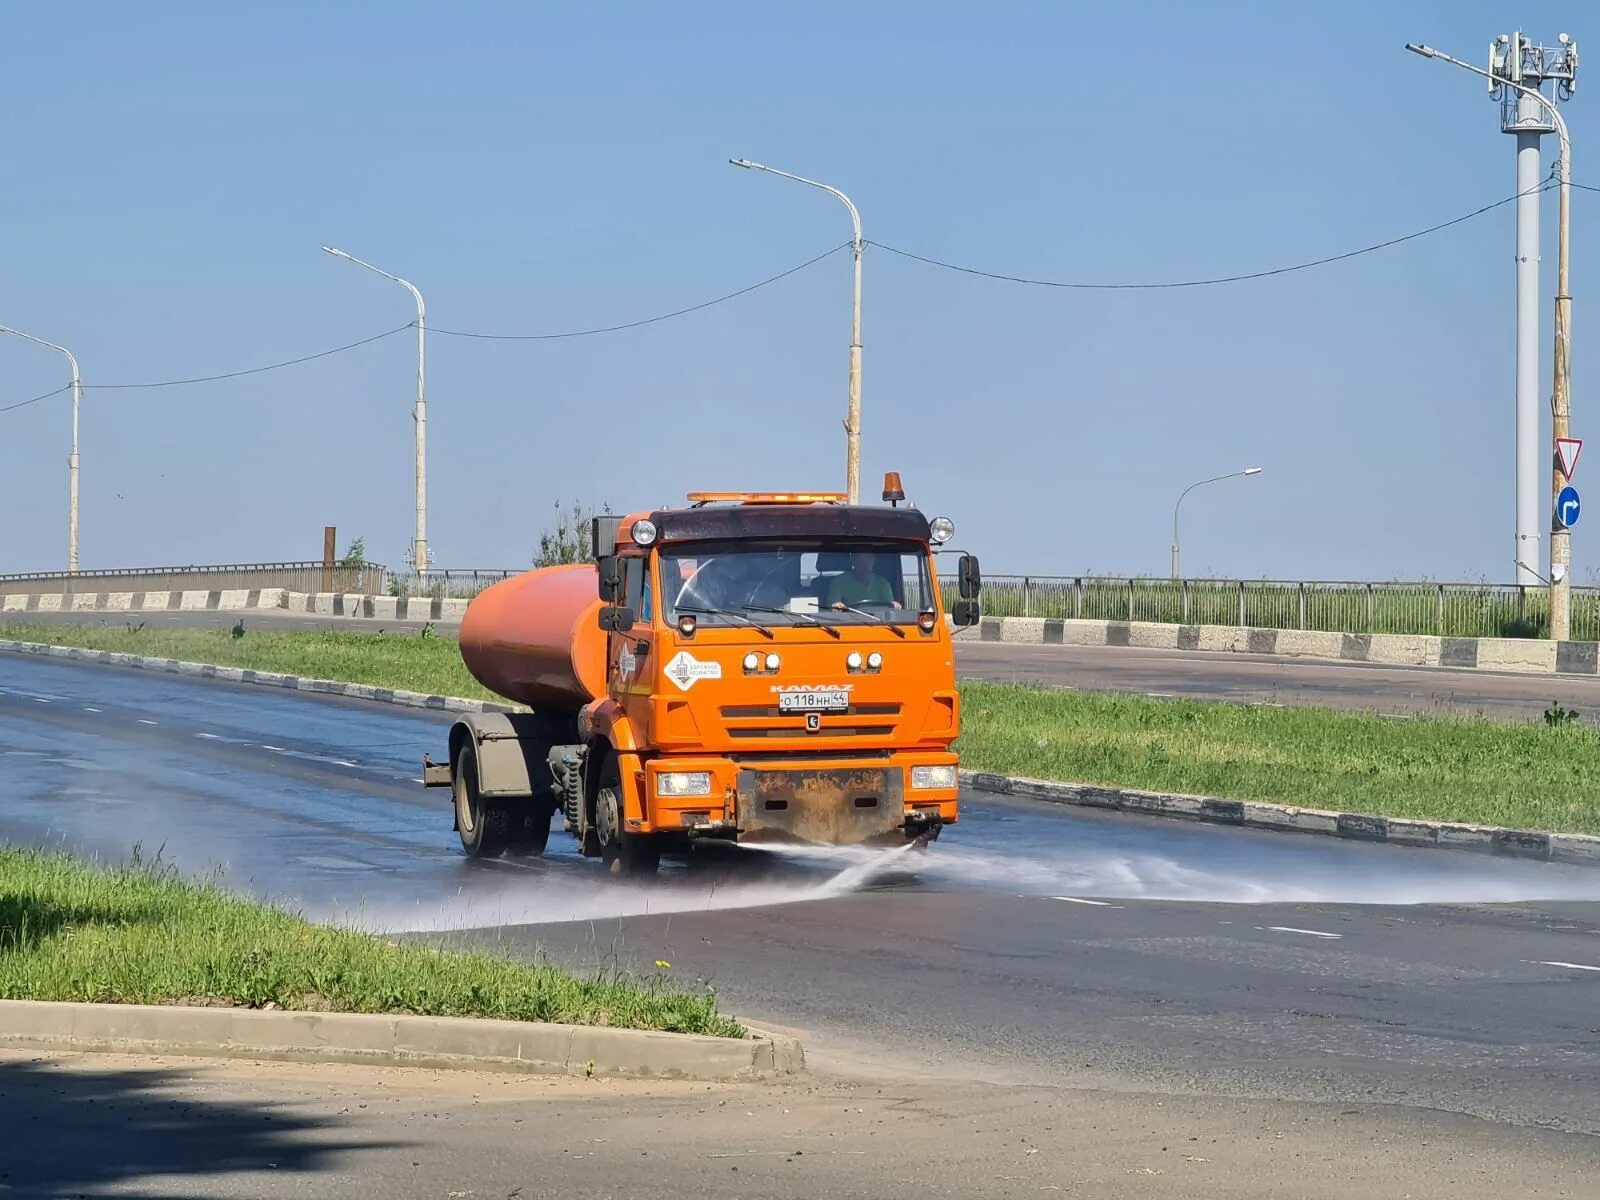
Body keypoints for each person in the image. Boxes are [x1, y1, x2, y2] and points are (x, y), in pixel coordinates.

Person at [824, 552, 901, 611]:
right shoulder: (839, 582)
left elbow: (889, 609)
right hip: (847, 624)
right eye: (860, 558)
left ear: (874, 560)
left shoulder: (883, 583)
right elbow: (833, 608)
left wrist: (895, 606)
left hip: (878, 624)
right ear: (853, 560)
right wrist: (836, 606)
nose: (864, 562)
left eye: (868, 557)